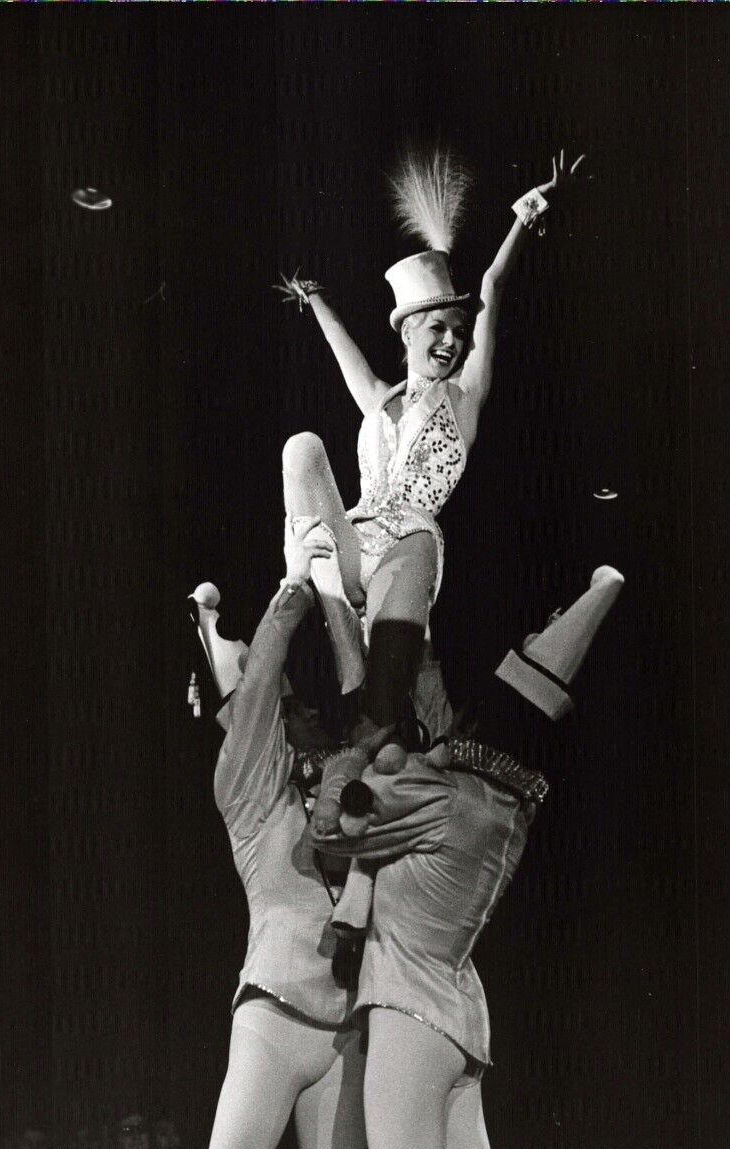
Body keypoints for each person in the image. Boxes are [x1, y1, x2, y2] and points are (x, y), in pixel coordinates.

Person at [303, 565, 624, 1149]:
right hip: (460, 1017)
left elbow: (333, 821)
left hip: (406, 1016)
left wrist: (363, 739)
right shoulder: (505, 802)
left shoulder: (436, 797)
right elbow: (449, 726)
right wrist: (419, 644)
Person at [138, 517, 371, 1149]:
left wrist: (340, 604)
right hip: (273, 1022)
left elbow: (375, 723)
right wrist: (290, 590)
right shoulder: (245, 789)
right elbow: (262, 689)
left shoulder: (341, 816)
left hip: (346, 1033)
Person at [276, 147, 590, 825]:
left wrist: (530, 211)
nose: (450, 342)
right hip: (353, 541)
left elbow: (494, 287)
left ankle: (363, 742)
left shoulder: (464, 401)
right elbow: (347, 358)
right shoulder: (381, 400)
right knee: (302, 450)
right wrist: (316, 301)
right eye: (437, 330)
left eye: (457, 331)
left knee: (412, 565)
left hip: (408, 554)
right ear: (410, 334)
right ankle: (330, 620)